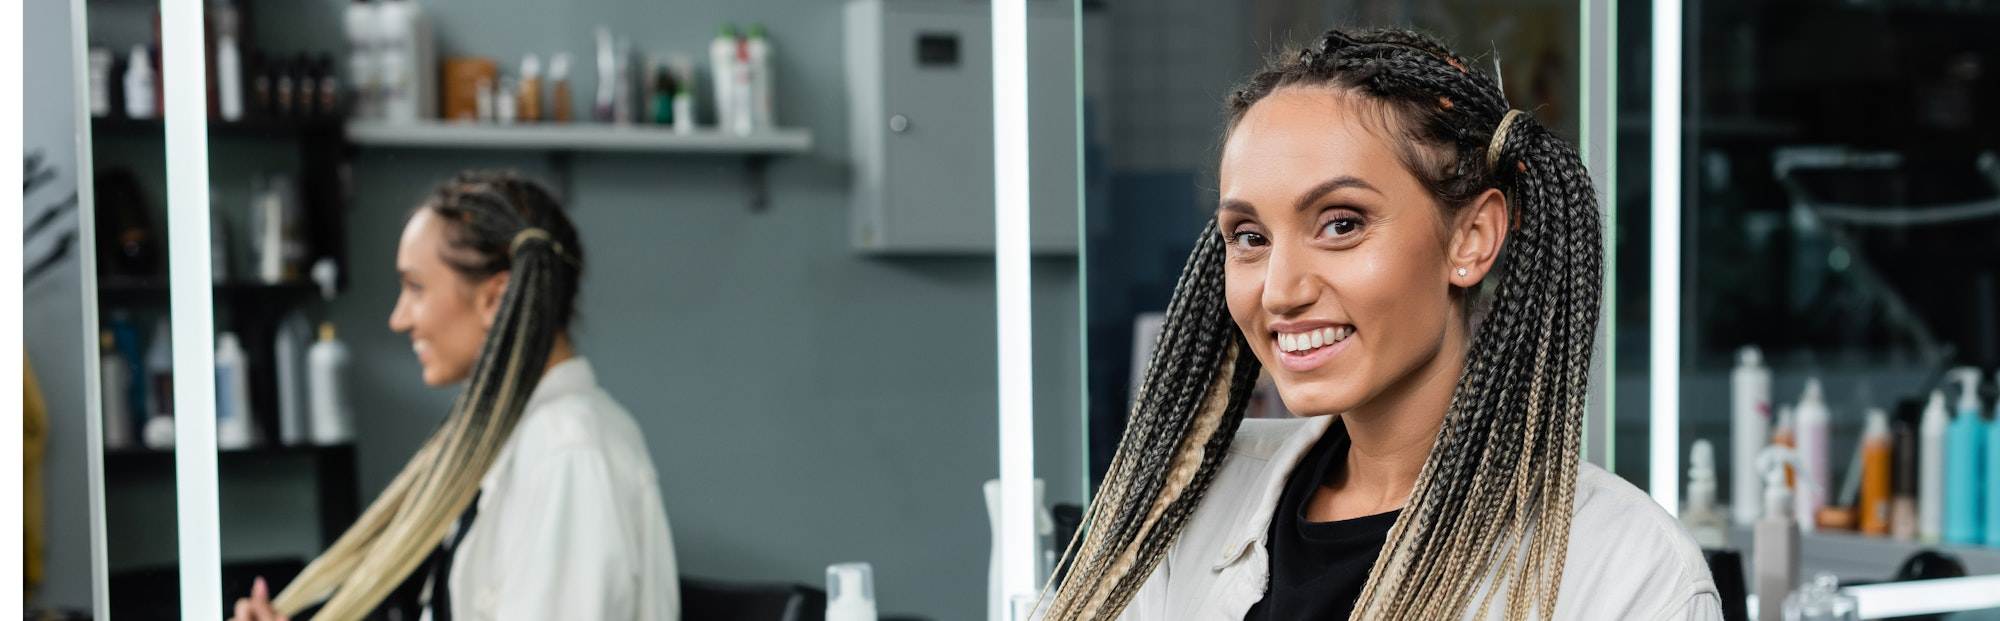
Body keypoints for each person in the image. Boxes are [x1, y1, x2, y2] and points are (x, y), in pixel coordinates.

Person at [1040, 28, 1721, 620]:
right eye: (1249, 235)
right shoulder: (1187, 502)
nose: (1281, 290)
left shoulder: (1627, 571)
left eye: (1341, 224)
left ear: (1472, 238)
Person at [231, 171, 679, 620]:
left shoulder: (568, 453)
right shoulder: (518, 443)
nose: (399, 319)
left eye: (415, 287)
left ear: (494, 299)